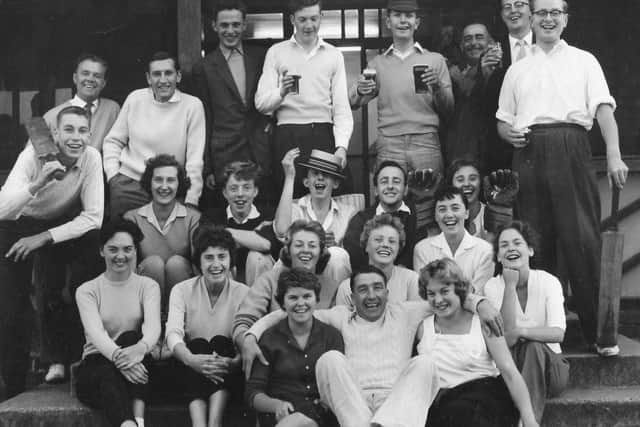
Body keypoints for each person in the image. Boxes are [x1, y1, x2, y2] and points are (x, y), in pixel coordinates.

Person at [496, 0, 628, 355]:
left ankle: (599, 333)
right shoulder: (517, 69)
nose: (549, 19)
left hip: (571, 146)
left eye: (556, 13)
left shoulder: (585, 60)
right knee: (535, 240)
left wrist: (614, 154)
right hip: (528, 153)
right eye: (542, 13)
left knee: (582, 237)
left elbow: (603, 111)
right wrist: (508, 134)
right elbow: (503, 120)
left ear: (566, 20)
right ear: (531, 19)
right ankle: (541, 336)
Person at [243, 265, 502, 427]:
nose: (372, 295)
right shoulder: (339, 315)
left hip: (397, 402)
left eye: (378, 288)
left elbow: (451, 298)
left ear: (388, 293)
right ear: (352, 297)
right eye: (363, 290)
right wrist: (251, 336)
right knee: (330, 359)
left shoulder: (406, 312)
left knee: (425, 363)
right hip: (355, 405)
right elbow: (285, 314)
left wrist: (481, 303)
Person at [0, 105, 103, 394]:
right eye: (68, 130)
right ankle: (13, 386)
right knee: (10, 304)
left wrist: (45, 237)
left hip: (55, 225)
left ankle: (81, 359)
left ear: (90, 135)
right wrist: (39, 182)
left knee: (86, 259)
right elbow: (2, 209)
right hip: (17, 224)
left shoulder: (92, 158)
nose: (76, 138)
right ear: (55, 133)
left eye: (82, 131)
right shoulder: (31, 156)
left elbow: (93, 217)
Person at [350, 0, 454, 231]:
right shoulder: (377, 62)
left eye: (409, 16)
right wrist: (359, 90)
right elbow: (355, 102)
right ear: (388, 22)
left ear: (417, 22)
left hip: (426, 140)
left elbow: (449, 109)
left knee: (431, 203)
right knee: (388, 206)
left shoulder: (435, 60)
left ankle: (429, 257)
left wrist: (436, 86)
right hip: (390, 143)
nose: (403, 21)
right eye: (397, 15)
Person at [417, 258, 539, 427]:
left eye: (445, 291)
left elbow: (509, 372)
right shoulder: (423, 327)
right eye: (431, 293)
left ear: (459, 290)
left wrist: (529, 420)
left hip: (484, 397)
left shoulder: (483, 323)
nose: (438, 300)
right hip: (442, 403)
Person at [254, 0, 353, 198]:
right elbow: (261, 104)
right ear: (292, 20)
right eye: (302, 19)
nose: (309, 25)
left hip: (324, 134)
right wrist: (281, 92)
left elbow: (342, 108)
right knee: (289, 199)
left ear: (321, 18)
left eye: (314, 18)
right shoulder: (276, 52)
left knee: (325, 199)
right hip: (287, 134)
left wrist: (341, 147)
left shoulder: (334, 55)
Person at [75, 219, 161, 427]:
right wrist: (120, 359)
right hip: (98, 367)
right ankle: (129, 424)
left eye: (127, 249)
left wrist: (141, 348)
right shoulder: (87, 290)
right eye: (113, 249)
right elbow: (96, 333)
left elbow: (152, 327)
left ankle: (135, 422)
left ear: (135, 252)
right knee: (107, 372)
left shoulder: (148, 286)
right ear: (101, 251)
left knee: (132, 338)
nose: (120, 256)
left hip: (138, 360)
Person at [191, 0, 274, 209]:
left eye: (236, 25)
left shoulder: (262, 57)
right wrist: (208, 167)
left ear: (244, 25)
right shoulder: (204, 67)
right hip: (224, 155)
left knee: (262, 215)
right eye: (225, 25)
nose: (230, 30)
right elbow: (205, 118)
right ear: (214, 26)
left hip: (260, 153)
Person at [484, 221, 569, 423]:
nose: (511, 248)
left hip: (551, 370)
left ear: (530, 250)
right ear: (498, 256)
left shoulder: (549, 281)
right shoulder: (492, 287)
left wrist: (523, 331)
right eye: (504, 245)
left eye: (517, 243)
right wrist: (510, 286)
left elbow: (557, 333)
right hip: (512, 368)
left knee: (533, 347)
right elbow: (506, 339)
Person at [103, 51, 206, 218]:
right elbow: (112, 141)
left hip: (169, 187)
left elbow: (194, 160)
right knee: (125, 240)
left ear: (178, 76)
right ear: (148, 78)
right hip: (130, 186)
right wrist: (113, 177)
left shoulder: (192, 106)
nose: (163, 80)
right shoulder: (135, 99)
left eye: (169, 73)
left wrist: (192, 199)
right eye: (157, 74)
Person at [165, 225, 248, 427]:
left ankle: (214, 423)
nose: (216, 264)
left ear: (230, 261)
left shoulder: (244, 293)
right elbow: (173, 333)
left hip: (228, 370)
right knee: (199, 344)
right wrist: (191, 360)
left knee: (221, 342)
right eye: (209, 258)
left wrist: (235, 362)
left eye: (222, 257)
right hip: (189, 368)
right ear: (199, 264)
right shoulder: (182, 290)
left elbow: (245, 339)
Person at [246, 268, 344, 427]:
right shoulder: (269, 338)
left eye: (307, 296)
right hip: (282, 415)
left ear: (316, 298)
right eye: (293, 297)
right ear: (282, 302)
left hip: (320, 416)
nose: (301, 303)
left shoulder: (331, 336)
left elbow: (339, 386)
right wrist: (276, 405)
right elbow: (253, 392)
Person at [232, 220, 344, 350]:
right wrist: (247, 344)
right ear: (288, 250)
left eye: (312, 246)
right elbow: (243, 322)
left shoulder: (333, 286)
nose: (305, 251)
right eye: (298, 245)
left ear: (321, 251)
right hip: (275, 355)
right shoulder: (269, 280)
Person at [124, 154, 200, 314]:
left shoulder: (193, 217)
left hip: (183, 297)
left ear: (179, 184)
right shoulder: (133, 218)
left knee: (177, 263)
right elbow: (128, 269)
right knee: (153, 263)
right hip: (145, 298)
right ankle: (152, 325)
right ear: (149, 183)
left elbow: (198, 265)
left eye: (171, 180)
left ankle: (177, 323)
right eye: (158, 179)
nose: (164, 186)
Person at [274, 149, 356, 284]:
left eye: (326, 175)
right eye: (315, 173)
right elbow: (281, 231)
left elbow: (351, 254)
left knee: (337, 254)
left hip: (332, 278)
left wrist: (335, 245)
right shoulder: (294, 208)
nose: (320, 178)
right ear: (306, 182)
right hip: (298, 276)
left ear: (335, 183)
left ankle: (336, 304)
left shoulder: (348, 212)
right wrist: (289, 177)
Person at [202, 161, 281, 286]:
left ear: (255, 191)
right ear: (225, 193)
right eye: (233, 188)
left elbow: (266, 244)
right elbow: (206, 243)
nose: (240, 194)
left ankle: (256, 304)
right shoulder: (212, 216)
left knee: (258, 257)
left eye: (246, 188)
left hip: (258, 280)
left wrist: (225, 232)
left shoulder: (268, 215)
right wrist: (253, 237)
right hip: (227, 279)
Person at [484, 0, 535, 171]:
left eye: (519, 4)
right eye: (507, 6)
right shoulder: (491, 50)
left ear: (531, 11)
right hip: (504, 146)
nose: (513, 10)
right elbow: (482, 105)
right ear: (501, 15)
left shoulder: (548, 45)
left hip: (543, 140)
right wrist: (485, 75)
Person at [414, 186, 494, 295]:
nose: (449, 215)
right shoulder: (422, 249)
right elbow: (425, 293)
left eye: (455, 208)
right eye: (442, 209)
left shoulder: (485, 250)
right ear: (436, 216)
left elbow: (477, 295)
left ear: (466, 213)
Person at [343, 160, 417, 270]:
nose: (390, 186)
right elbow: (354, 256)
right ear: (376, 190)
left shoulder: (418, 217)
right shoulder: (361, 220)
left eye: (396, 181)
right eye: (384, 182)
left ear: (405, 189)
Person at [445, 23, 500, 168]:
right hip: (465, 148)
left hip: (496, 145)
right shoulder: (453, 74)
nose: (474, 43)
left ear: (490, 43)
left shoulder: (503, 69)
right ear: (462, 46)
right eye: (468, 39)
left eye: (479, 37)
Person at [335, 214, 420, 306]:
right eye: (378, 240)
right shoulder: (347, 288)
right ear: (366, 245)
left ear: (399, 248)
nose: (385, 245)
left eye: (392, 241)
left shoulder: (412, 281)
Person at [43, 53, 120, 152]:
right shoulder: (52, 116)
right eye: (85, 73)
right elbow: (33, 156)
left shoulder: (112, 109)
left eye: (97, 76)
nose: (90, 79)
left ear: (103, 83)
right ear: (75, 78)